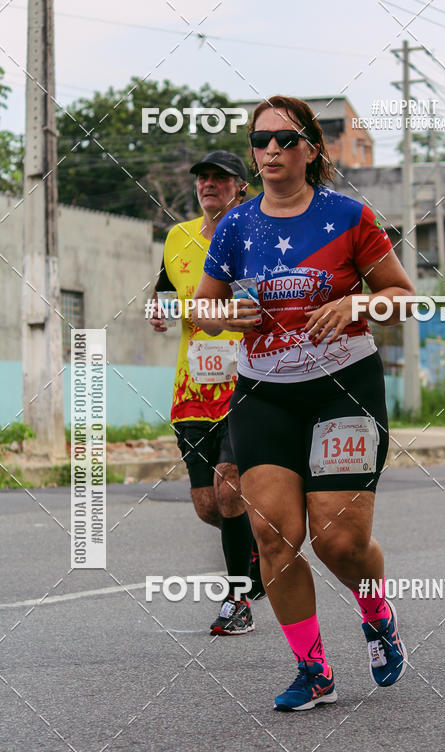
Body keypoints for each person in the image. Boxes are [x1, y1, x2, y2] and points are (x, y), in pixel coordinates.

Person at [192, 97, 415, 708]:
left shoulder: (349, 216)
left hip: (343, 387)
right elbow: (200, 307)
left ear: (311, 150)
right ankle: (313, 669)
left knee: (338, 542)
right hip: (264, 392)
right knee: (274, 536)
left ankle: (376, 615)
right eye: (260, 141)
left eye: (284, 140)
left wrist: (358, 304)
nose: (269, 151)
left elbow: (402, 296)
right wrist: (220, 314)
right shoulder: (237, 226)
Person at [150, 150, 264, 636]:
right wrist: (157, 311)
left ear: (240, 186)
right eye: (203, 179)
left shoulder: (257, 233)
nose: (209, 185)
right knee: (207, 505)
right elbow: (164, 292)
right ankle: (258, 547)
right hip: (192, 387)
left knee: (230, 488)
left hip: (249, 382)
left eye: (221, 178)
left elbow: (262, 305)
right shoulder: (177, 237)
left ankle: (238, 599)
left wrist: (224, 316)